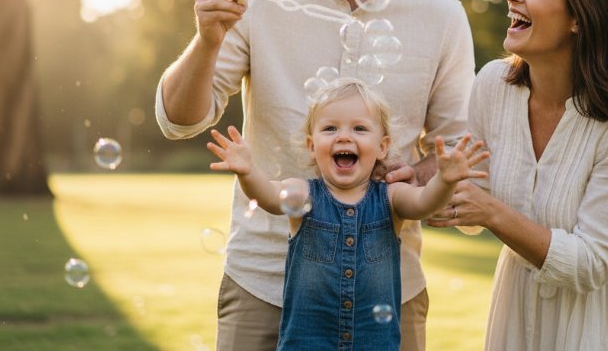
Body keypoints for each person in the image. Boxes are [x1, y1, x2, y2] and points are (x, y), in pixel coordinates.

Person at [154, 0, 475, 351]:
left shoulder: (441, 16)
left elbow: (453, 147)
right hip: (264, 281)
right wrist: (206, 39)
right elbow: (180, 119)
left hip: (387, 287)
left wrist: (414, 174)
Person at [428, 0, 608, 350]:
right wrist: (415, 183)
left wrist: (492, 213)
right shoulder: (492, 84)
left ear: (580, 17)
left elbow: (593, 263)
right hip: (519, 303)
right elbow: (472, 199)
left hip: (606, 315)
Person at [206, 78, 488, 350]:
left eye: (359, 129)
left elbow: (425, 202)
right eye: (330, 128)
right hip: (306, 344)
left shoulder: (391, 196)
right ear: (311, 146)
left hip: (375, 343)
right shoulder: (303, 193)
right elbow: (267, 195)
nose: (344, 136)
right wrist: (247, 171)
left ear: (382, 147)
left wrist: (445, 180)